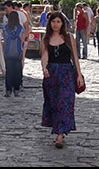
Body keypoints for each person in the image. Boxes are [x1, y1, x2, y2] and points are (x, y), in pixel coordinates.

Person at [41, 11, 84, 149]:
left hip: (67, 74)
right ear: (50, 23)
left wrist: (79, 74)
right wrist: (44, 68)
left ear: (62, 23)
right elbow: (45, 55)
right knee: (54, 104)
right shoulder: (46, 39)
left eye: (58, 22)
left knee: (65, 103)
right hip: (52, 75)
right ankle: (59, 130)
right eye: (53, 22)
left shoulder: (69, 37)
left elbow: (75, 57)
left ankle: (60, 135)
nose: (55, 24)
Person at [3, 11, 28, 97]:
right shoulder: (20, 28)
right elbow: (21, 39)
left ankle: (8, 90)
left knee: (9, 71)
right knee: (17, 71)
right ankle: (16, 90)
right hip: (17, 52)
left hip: (8, 52)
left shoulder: (6, 28)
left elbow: (5, 39)